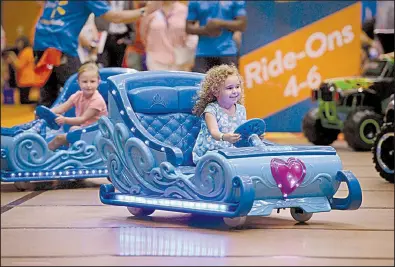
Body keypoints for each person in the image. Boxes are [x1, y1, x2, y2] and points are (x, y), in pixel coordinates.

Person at [32, 0, 160, 108]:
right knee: (77, 91)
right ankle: (71, 130)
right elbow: (115, 17)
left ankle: (43, 129)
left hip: (40, 42)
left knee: (48, 94)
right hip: (58, 46)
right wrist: (145, 11)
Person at [191, 64, 246, 164]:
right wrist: (225, 137)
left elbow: (243, 132)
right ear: (216, 92)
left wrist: (254, 136)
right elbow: (214, 132)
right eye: (229, 88)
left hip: (232, 152)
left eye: (237, 87)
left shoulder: (241, 110)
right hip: (211, 153)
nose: (235, 91)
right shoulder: (211, 110)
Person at [46, 63, 107, 151]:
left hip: (98, 132)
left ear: (98, 82)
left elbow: (82, 119)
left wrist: (64, 120)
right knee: (73, 129)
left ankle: (45, 155)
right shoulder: (78, 96)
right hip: (85, 129)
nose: (88, 85)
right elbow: (61, 108)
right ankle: (69, 151)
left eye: (92, 81)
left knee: (60, 138)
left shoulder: (97, 101)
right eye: (85, 82)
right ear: (78, 82)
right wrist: (47, 112)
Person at [185, 1, 247, 73]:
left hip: (228, 52)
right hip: (202, 53)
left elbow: (242, 25)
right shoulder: (195, 2)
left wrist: (220, 23)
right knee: (201, 83)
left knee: (230, 83)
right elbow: (188, 28)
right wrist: (205, 30)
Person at [140, 0, 198, 71]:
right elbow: (143, 32)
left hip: (179, 59)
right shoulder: (152, 10)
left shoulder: (184, 10)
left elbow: (191, 33)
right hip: (155, 59)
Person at [4, 36, 38, 104]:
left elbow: (19, 66)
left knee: (24, 101)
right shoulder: (25, 51)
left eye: (19, 43)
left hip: (26, 80)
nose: (17, 45)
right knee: (23, 100)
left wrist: (12, 56)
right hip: (24, 80)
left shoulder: (26, 51)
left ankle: (38, 103)